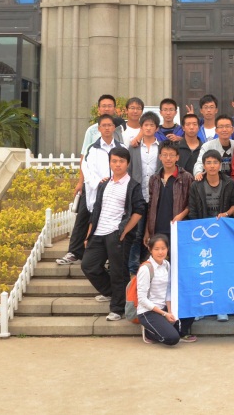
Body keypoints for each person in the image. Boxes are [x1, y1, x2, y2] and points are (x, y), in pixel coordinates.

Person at [81, 147, 145, 321]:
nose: (118, 164)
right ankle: (115, 294)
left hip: (117, 233)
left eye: (121, 161)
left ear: (127, 164)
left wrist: (124, 231)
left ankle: (117, 309)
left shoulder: (132, 185)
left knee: (119, 271)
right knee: (88, 266)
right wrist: (88, 235)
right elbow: (96, 210)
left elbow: (139, 210)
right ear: (109, 163)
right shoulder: (104, 184)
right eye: (114, 161)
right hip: (98, 233)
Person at [57, 113, 124, 266]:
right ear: (99, 128)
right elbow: (86, 169)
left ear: (114, 127)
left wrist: (114, 184)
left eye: (109, 125)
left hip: (115, 193)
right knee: (84, 220)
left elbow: (125, 168)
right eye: (104, 125)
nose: (107, 128)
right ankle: (74, 252)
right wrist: (98, 183)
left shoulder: (121, 147)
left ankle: (109, 256)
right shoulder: (92, 149)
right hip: (95, 191)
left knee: (111, 225)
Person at [188, 150, 234, 322]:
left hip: (223, 234)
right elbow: (193, 210)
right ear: (203, 165)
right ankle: (202, 307)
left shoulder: (229, 183)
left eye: (215, 162)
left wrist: (226, 214)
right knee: (203, 271)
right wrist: (198, 231)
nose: (212, 166)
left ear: (220, 164)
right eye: (208, 162)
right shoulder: (196, 185)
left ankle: (221, 307)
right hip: (202, 234)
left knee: (221, 271)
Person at [137, 233, 197, 344]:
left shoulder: (166, 265)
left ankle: (174, 330)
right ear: (150, 249)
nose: (160, 252)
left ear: (167, 249)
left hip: (164, 307)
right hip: (148, 311)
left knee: (191, 305)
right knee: (172, 339)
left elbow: (168, 289)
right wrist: (164, 314)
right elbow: (142, 299)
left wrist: (169, 310)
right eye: (156, 249)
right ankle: (149, 332)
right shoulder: (146, 269)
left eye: (163, 248)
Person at [127, 111, 161, 274]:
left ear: (156, 128)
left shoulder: (161, 147)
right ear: (141, 127)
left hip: (156, 196)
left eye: (151, 125)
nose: (148, 128)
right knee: (137, 233)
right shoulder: (133, 147)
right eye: (145, 125)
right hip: (138, 195)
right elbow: (129, 170)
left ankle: (150, 265)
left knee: (153, 231)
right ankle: (133, 268)